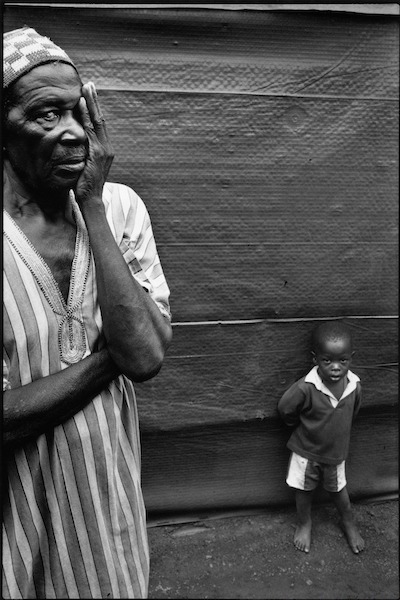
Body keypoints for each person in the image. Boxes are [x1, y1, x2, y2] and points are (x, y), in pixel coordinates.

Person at [3, 27, 173, 598]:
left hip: (106, 504)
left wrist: (93, 206)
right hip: (14, 519)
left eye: (79, 111)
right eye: (47, 115)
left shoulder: (120, 207)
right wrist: (108, 363)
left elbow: (147, 355)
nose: (75, 132)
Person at [277, 321, 365, 555]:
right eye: (327, 361)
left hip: (336, 454)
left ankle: (348, 522)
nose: (335, 367)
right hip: (306, 452)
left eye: (342, 361)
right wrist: (296, 426)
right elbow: (286, 408)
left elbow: (353, 412)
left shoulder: (354, 386)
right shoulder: (307, 387)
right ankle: (305, 523)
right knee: (304, 491)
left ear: (351, 358)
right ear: (315, 359)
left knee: (339, 491)